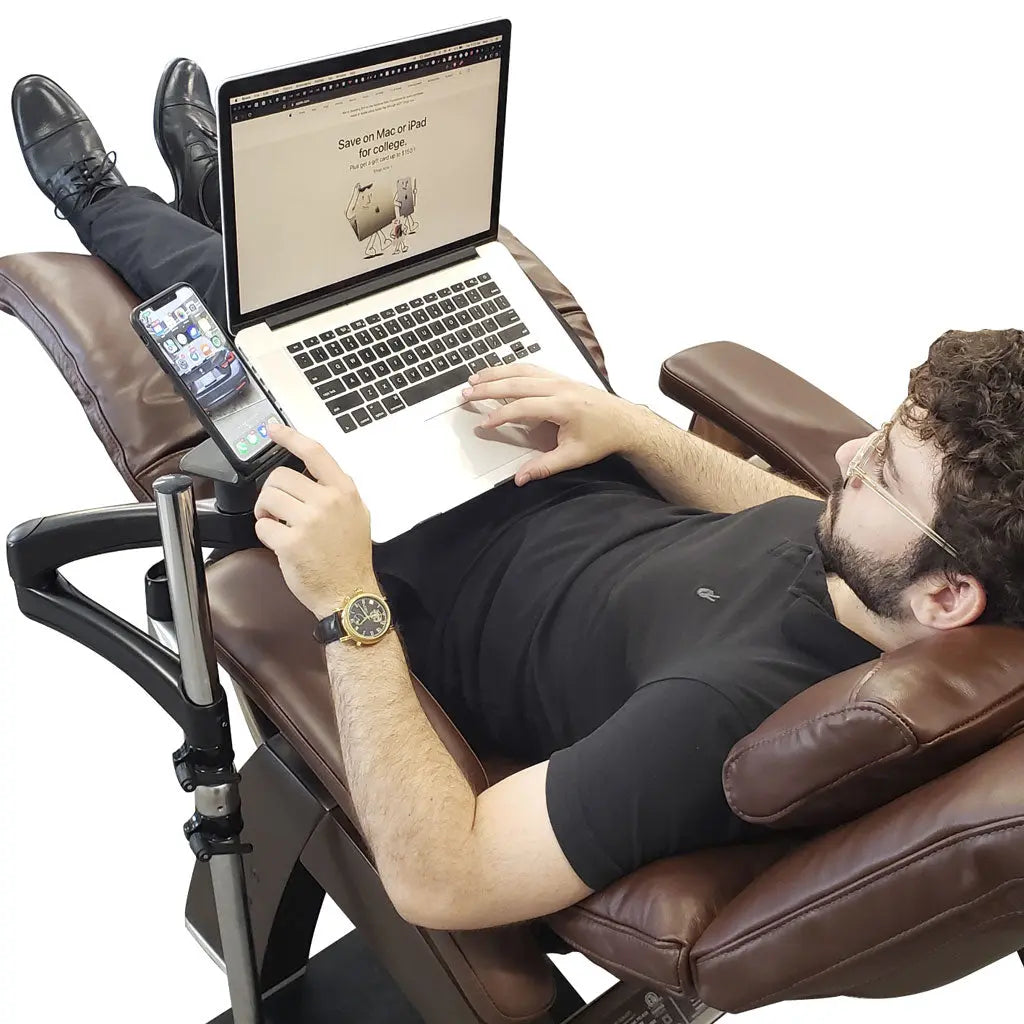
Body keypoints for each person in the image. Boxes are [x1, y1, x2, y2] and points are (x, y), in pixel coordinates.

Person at [11, 61, 1024, 931]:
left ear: (948, 599)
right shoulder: (885, 582)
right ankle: (219, 202)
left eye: (883, 470)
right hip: (550, 469)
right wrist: (621, 424)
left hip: (405, 532)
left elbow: (441, 876)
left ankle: (108, 204)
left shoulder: (720, 721)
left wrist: (346, 601)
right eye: (881, 431)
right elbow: (772, 513)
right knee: (406, 279)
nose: (847, 454)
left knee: (259, 315)